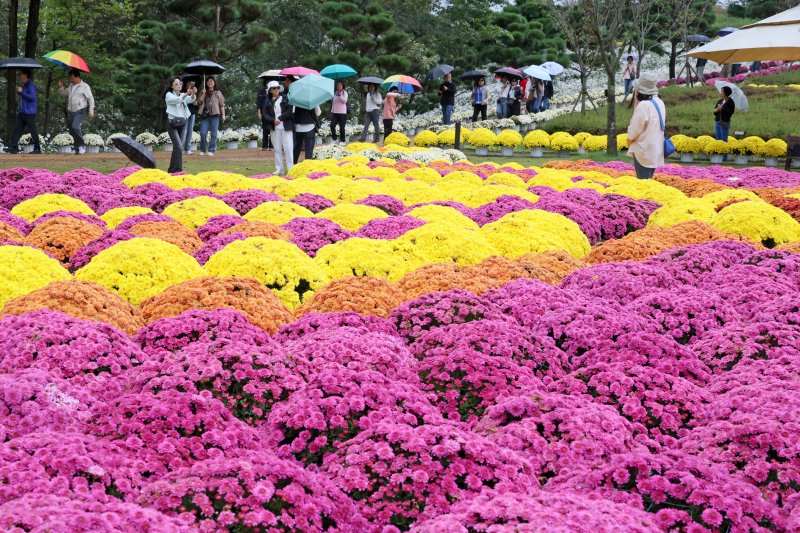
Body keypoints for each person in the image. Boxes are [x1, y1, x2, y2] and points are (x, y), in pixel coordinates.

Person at [626, 73, 666, 180]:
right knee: (648, 180)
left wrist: (628, 141)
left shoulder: (644, 105)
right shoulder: (659, 102)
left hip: (643, 150)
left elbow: (634, 130)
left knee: (643, 183)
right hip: (656, 149)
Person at [57, 69, 95, 155]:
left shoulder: (85, 86)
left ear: (78, 77)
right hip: (71, 110)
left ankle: (82, 146)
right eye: (70, 78)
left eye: (72, 78)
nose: (71, 80)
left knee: (75, 126)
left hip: (80, 110)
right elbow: (64, 94)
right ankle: (76, 147)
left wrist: (91, 110)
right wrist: (61, 87)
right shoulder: (71, 86)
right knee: (72, 129)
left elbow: (90, 98)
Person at [262, 80, 294, 175]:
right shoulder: (267, 102)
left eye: (277, 88)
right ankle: (279, 169)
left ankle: (290, 168)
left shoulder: (285, 98)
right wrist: (273, 120)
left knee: (288, 147)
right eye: (274, 88)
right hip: (274, 127)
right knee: (277, 148)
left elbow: (289, 111)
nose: (276, 90)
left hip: (286, 126)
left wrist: (279, 118)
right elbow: (265, 114)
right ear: (270, 90)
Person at [164, 75, 194, 173]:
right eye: (176, 84)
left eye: (180, 83)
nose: (179, 85)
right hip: (172, 123)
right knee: (178, 146)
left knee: (179, 147)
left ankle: (175, 169)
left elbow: (191, 100)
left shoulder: (182, 94)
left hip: (182, 123)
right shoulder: (169, 95)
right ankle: (175, 169)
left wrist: (193, 93)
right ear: (172, 86)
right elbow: (177, 100)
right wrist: (186, 94)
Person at [8, 69, 41, 154]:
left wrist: (22, 91)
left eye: (21, 74)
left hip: (29, 113)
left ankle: (37, 149)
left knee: (33, 130)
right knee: (17, 129)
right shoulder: (24, 84)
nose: (19, 76)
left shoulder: (31, 85)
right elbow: (24, 96)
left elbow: (32, 98)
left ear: (26, 75)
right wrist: (19, 92)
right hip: (22, 112)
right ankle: (14, 148)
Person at [196, 76, 225, 156]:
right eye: (208, 81)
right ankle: (202, 149)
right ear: (206, 83)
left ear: (214, 83)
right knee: (203, 133)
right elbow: (199, 102)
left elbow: (222, 105)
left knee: (214, 134)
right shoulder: (203, 92)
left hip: (215, 115)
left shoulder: (218, 93)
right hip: (205, 115)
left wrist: (223, 115)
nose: (210, 83)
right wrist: (204, 94)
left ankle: (211, 150)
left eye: (212, 81)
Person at [713, 85, 735, 161]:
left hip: (724, 122)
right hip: (717, 121)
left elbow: (730, 112)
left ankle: (724, 157)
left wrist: (722, 109)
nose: (721, 92)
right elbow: (714, 112)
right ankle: (719, 156)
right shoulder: (720, 101)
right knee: (718, 139)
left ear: (726, 92)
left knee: (724, 139)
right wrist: (717, 110)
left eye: (722, 91)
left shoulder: (730, 101)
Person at [181, 80, 198, 154]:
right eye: (188, 84)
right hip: (184, 114)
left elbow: (196, 103)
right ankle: (180, 148)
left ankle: (187, 148)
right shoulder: (183, 93)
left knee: (190, 131)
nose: (190, 85)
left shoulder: (194, 92)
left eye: (191, 84)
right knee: (184, 131)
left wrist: (195, 102)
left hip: (192, 113)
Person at [256, 80, 272, 151]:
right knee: (265, 129)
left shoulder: (274, 90)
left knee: (272, 129)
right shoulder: (261, 91)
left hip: (272, 112)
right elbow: (258, 103)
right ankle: (265, 146)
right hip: (264, 112)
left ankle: (272, 146)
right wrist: (259, 112)